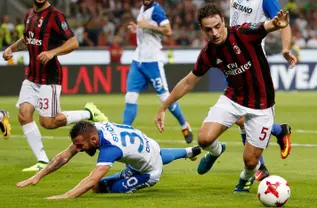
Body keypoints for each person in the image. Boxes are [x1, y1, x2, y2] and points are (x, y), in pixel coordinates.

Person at [155, 3, 290, 193]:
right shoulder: (208, 53)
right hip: (233, 98)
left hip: (262, 104)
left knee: (250, 161)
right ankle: (217, 151)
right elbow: (188, 83)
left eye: (217, 26)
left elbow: (266, 26)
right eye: (209, 29)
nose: (215, 33)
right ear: (202, 29)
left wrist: (278, 24)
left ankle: (245, 178)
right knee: (203, 140)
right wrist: (163, 107)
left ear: (223, 22)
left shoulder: (243, 33)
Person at [2, 0, 108, 172]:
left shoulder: (56, 16)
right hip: (31, 76)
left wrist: (53, 52)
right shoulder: (29, 14)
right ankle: (42, 160)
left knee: (49, 122)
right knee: (24, 115)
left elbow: (73, 42)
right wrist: (12, 49)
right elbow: (28, 39)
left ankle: (89, 112)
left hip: (49, 78)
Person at [16, 121, 202, 199]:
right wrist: (38, 175)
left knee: (101, 188)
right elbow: (65, 155)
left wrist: (66, 196)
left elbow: (91, 180)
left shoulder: (109, 149)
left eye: (80, 146)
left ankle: (185, 153)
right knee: (155, 154)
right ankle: (188, 152)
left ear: (94, 141)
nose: (78, 149)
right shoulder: (93, 129)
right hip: (148, 145)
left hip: (148, 173)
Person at [229, 0, 297, 182]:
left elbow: (283, 22)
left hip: (254, 64)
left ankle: (260, 164)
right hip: (234, 61)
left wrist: (285, 50)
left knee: (244, 116)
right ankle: (278, 133)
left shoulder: (265, 0)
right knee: (240, 117)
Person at [123, 0, 193, 143]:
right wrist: (138, 29)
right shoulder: (144, 7)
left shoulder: (157, 10)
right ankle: (123, 133)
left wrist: (146, 26)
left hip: (152, 61)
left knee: (165, 98)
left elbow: (168, 31)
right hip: (138, 60)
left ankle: (184, 125)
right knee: (130, 97)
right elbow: (148, 31)